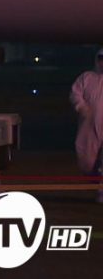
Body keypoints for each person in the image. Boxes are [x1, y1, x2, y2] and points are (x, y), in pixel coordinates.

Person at [70, 48, 103, 204]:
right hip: (89, 127)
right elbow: (75, 94)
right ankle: (94, 181)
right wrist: (82, 107)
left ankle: (101, 192)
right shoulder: (86, 78)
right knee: (87, 161)